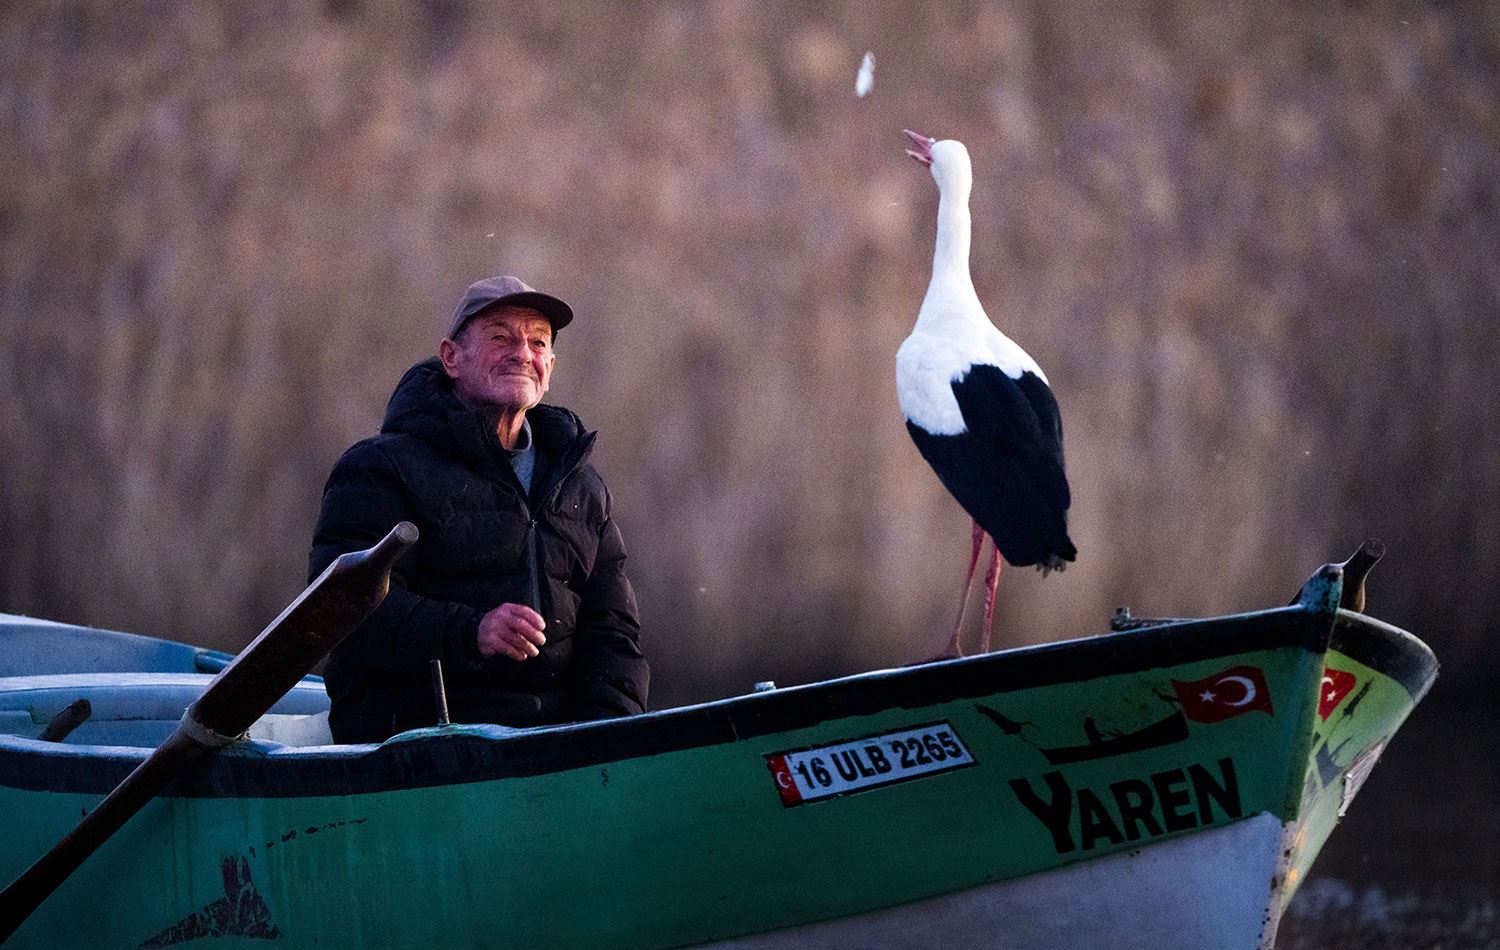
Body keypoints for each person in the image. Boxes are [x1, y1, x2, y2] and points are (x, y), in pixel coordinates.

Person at [309, 275, 648, 743]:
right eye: (500, 338)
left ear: (550, 365)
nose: (522, 354)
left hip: (553, 749)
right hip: (415, 751)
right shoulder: (379, 469)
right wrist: (472, 632)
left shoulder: (583, 488)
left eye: (537, 342)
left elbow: (613, 636)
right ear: (452, 358)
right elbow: (341, 613)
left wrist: (604, 741)